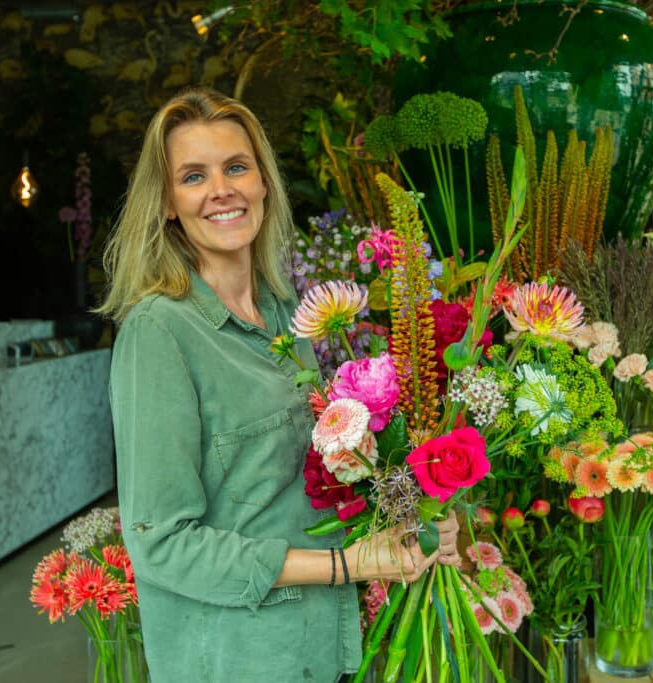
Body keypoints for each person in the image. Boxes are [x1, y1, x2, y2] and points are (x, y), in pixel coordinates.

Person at [97, 87, 461, 683]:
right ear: (166, 202)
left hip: (320, 646)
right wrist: (346, 565)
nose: (222, 190)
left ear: (263, 182)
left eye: (236, 167)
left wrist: (407, 522)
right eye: (194, 176)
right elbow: (160, 544)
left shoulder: (284, 310)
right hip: (238, 658)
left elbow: (292, 487)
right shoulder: (158, 333)